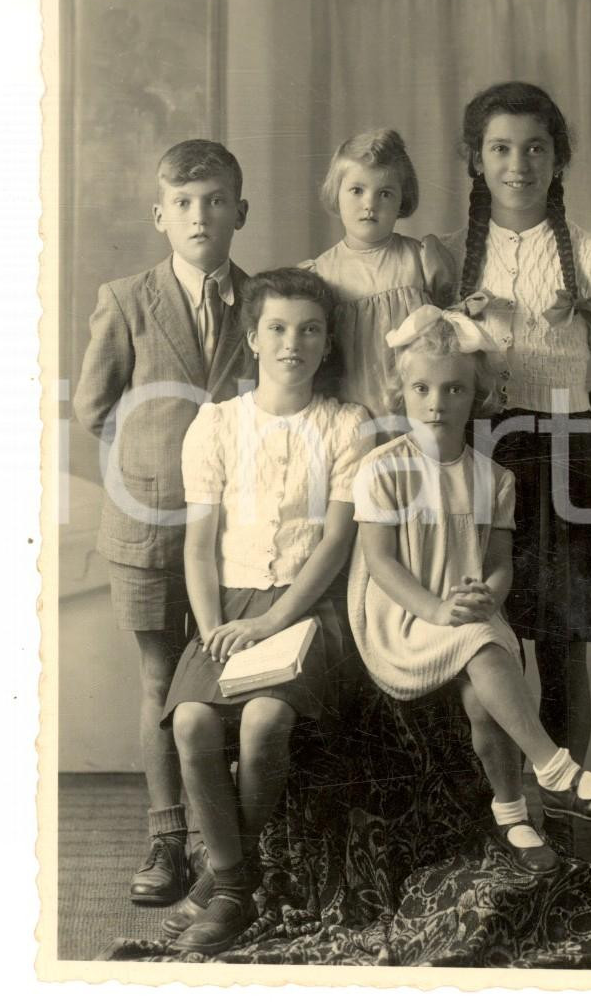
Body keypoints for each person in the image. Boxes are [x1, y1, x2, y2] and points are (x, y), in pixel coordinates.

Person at [347, 308, 591, 877]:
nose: (437, 402)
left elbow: (500, 565)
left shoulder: (493, 477)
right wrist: (435, 608)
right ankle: (556, 772)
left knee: (485, 692)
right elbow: (380, 563)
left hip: (470, 615)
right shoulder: (381, 470)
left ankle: (512, 815)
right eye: (422, 388)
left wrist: (487, 595)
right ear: (400, 391)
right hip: (402, 618)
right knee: (482, 645)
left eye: (454, 388)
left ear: (477, 395)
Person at [158, 268, 374, 955]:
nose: (293, 343)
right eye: (277, 328)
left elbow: (337, 542)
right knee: (190, 720)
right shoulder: (216, 424)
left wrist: (272, 623)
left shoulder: (347, 423)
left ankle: (222, 889)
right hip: (226, 608)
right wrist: (215, 626)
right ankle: (235, 880)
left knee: (265, 720)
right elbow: (198, 546)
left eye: (309, 329)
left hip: (309, 612)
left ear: (326, 339)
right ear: (253, 337)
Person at [442, 82, 591, 779]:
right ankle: (496, 816)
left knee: (560, 647)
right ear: (475, 159)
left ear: (559, 159)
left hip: (565, 455)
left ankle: (563, 814)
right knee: (476, 641)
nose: (517, 164)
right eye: (500, 148)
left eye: (535, 147)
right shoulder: (450, 259)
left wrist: (556, 428)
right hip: (474, 456)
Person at [73, 139, 252, 905]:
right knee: (158, 676)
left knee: (226, 675)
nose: (199, 215)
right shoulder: (125, 297)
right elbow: (93, 406)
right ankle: (166, 834)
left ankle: (231, 841)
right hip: (148, 523)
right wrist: (150, 464)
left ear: (240, 211)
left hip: (239, 526)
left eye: (214, 200)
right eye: (183, 202)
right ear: (159, 215)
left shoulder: (267, 300)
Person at [301, 128, 455, 421]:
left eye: (384, 193)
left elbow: (451, 337)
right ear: (337, 192)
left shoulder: (422, 259)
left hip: (420, 412)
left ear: (402, 201)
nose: (369, 204)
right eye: (357, 190)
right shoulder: (321, 274)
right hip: (351, 413)